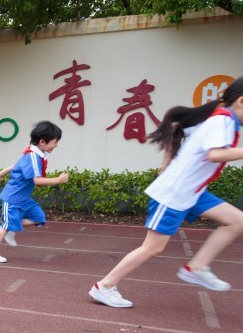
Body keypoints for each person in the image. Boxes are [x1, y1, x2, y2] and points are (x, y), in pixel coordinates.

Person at [89, 76, 243, 308]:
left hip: (193, 192)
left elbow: (180, 131)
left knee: (237, 221)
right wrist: (167, 163)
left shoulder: (220, 119)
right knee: (153, 247)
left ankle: (197, 267)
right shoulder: (222, 120)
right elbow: (216, 154)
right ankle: (104, 286)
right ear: (241, 101)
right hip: (174, 192)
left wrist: (168, 160)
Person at [0, 121, 69, 263]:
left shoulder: (35, 153)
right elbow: (37, 180)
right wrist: (58, 180)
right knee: (6, 225)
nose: (56, 145)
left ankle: (11, 226)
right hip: (12, 198)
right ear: (42, 142)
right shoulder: (33, 156)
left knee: (39, 217)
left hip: (23, 199)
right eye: (55, 142)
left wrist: (0, 173)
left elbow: (16, 166)